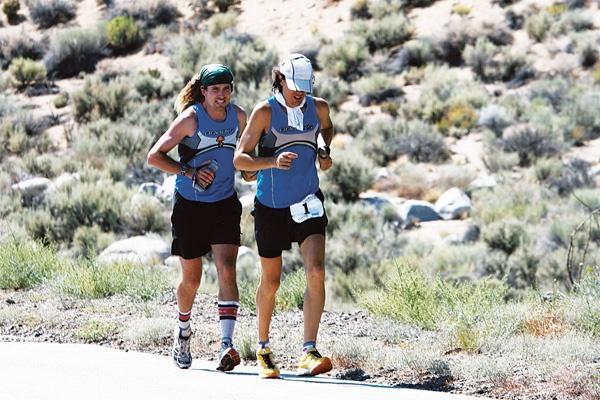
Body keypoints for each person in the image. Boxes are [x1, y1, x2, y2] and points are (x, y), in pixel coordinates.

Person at [233, 54, 334, 379]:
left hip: (308, 200)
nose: (299, 94)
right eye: (294, 87)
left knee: (316, 271)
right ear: (280, 80)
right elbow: (240, 159)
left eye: (304, 88)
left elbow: (327, 129)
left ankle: (308, 350)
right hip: (272, 206)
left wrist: (323, 151)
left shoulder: (318, 108)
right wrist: (272, 163)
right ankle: (263, 348)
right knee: (272, 281)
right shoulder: (265, 112)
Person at [147, 64, 246, 372]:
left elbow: (247, 153)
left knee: (227, 269)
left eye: (226, 89)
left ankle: (226, 345)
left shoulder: (239, 117)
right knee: (192, 278)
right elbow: (154, 155)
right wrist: (189, 171)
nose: (222, 95)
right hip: (190, 205)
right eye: (215, 90)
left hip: (224, 203)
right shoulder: (190, 119)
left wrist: (251, 169)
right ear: (203, 92)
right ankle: (183, 330)